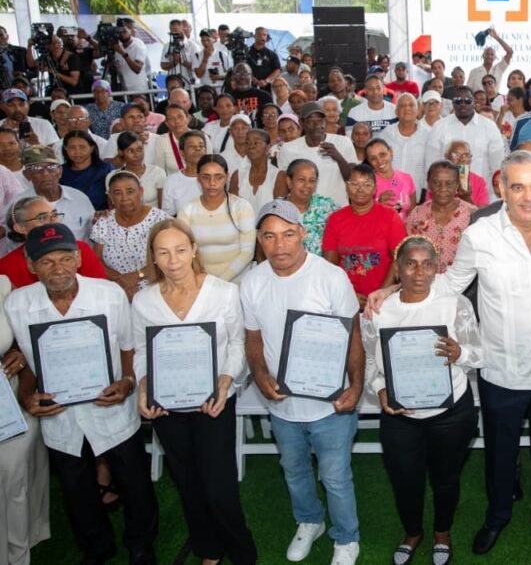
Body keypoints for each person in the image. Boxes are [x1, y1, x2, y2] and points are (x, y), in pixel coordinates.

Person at [369, 150, 531, 555]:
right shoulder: (479, 234)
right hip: (500, 368)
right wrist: (394, 288)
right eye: (517, 186)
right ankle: (497, 516)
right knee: (500, 454)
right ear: (501, 186)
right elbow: (450, 284)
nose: (528, 197)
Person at [8, 224, 159, 564]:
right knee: (78, 493)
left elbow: (127, 347)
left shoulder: (108, 294)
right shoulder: (18, 305)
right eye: (46, 262)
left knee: (135, 484)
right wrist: (27, 398)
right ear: (31, 265)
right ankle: (96, 548)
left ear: (78, 258)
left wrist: (127, 382)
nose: (58, 269)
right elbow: (29, 362)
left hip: (111, 407)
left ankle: (140, 545)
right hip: (60, 416)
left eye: (65, 258)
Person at [242, 200, 365, 565]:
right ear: (259, 240)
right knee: (293, 470)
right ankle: (309, 521)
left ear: (303, 234)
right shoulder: (252, 282)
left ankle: (346, 537)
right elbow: (253, 338)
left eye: (288, 234)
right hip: (282, 403)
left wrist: (356, 386)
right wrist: (260, 375)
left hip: (330, 403)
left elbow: (353, 336)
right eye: (270, 236)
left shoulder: (330, 277)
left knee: (336, 476)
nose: (279, 245)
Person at [132, 219, 257, 564]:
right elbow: (143, 352)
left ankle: (243, 552)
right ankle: (208, 549)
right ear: (153, 258)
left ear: (193, 251)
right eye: (163, 252)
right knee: (187, 482)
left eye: (180, 250)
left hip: (213, 402)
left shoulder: (223, 292)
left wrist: (226, 379)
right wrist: (144, 385)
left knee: (219, 487)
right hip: (168, 409)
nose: (173, 260)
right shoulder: (143, 302)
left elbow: (237, 343)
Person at [360, 236, 483, 565]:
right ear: (398, 268)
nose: (419, 271)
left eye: (427, 264)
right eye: (410, 263)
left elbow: (479, 353)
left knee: (446, 478)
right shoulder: (378, 309)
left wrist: (460, 352)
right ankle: (413, 532)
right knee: (405, 480)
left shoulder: (455, 303)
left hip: (451, 410)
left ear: (436, 268)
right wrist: (380, 388)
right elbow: (371, 361)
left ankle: (442, 531)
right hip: (401, 413)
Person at [0, 271, 50, 565]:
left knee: (13, 474)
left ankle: (17, 555)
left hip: (8, 394)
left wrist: (19, 351)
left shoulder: (5, 285)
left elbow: (26, 333)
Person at [322, 163, 406, 305]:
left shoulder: (390, 216)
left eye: (367, 184)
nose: (360, 189)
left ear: (374, 189)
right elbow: (330, 266)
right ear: (347, 187)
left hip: (384, 299)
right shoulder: (335, 219)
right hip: (345, 297)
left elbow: (399, 259)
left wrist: (382, 293)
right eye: (354, 184)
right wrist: (348, 294)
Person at [90, 171, 170, 301]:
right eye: (117, 193)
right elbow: (97, 260)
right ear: (110, 196)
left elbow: (168, 257)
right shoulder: (104, 222)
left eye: (130, 191)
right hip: (116, 290)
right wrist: (121, 280)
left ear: (141, 191)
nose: (124, 197)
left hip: (156, 290)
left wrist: (137, 276)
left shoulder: (160, 220)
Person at [177, 154, 256, 283]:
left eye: (218, 177)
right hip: (200, 282)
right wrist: (202, 281)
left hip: (237, 283)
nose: (212, 183)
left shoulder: (241, 207)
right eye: (205, 177)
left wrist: (219, 282)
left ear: (227, 177)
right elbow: (182, 251)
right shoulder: (187, 210)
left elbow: (247, 253)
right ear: (198, 178)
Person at [0, 196, 106, 287]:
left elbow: (100, 289)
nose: (53, 221)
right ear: (20, 228)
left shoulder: (80, 249)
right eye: (42, 217)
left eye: (54, 215)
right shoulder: (6, 266)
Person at [276, 102, 357, 207]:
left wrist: (338, 157)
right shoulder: (288, 149)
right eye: (311, 121)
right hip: (303, 214)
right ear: (301, 123)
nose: (317, 124)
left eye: (320, 120)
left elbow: (353, 179)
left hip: (338, 210)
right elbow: (283, 185)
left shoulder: (343, 142)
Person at [10, 145, 94, 242]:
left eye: (51, 167)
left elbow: (92, 235)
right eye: (37, 168)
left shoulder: (79, 198)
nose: (45, 173)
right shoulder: (18, 205)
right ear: (27, 175)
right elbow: (14, 244)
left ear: (60, 171)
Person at [404, 161, 475, 272]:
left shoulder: (471, 214)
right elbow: (407, 252)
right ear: (428, 184)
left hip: (463, 284)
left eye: (449, 183)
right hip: (425, 283)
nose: (442, 188)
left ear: (457, 185)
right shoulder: (417, 214)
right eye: (436, 183)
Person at [380, 92, 431, 193]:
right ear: (396, 111)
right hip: (390, 194)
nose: (407, 108)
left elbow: (431, 167)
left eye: (411, 105)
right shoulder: (386, 134)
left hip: (418, 194)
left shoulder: (428, 135)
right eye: (402, 106)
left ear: (418, 110)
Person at [228, 128, 287, 212]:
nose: (251, 146)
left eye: (256, 142)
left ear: (268, 147)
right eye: (248, 143)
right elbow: (232, 209)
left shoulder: (278, 176)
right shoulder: (237, 175)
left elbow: (280, 211)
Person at [60, 130, 115, 211]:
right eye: (72, 147)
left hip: (101, 218)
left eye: (82, 147)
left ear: (92, 148)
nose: (77, 152)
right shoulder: (59, 172)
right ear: (65, 148)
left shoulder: (106, 169)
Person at [109, 131, 165, 209]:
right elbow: (112, 209)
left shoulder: (157, 172)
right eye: (130, 151)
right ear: (120, 152)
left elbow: (162, 208)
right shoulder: (113, 176)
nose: (136, 155)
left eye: (139, 149)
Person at [365, 138, 417, 220]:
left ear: (390, 151)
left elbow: (412, 213)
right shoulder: (367, 184)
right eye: (373, 158)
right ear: (369, 161)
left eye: (382, 155)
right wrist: (378, 205)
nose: (379, 161)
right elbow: (364, 218)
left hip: (405, 231)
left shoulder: (407, 178)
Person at [161, 130, 205, 216]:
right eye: (192, 146)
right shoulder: (171, 181)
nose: (198, 149)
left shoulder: (215, 177)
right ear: (182, 153)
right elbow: (168, 215)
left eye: (201, 145)